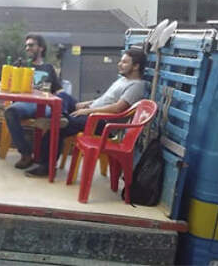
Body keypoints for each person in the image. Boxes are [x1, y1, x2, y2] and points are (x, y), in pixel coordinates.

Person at [26, 47, 148, 177]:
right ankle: (60, 117)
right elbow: (105, 99)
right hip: (92, 111)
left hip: (102, 122)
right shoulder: (123, 80)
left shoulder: (136, 85)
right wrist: (87, 104)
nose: (119, 64)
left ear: (136, 66)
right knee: (63, 97)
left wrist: (88, 111)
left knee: (55, 127)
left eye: (124, 62)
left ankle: (46, 165)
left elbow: (118, 108)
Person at [4, 34, 76, 170]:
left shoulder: (49, 68)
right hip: (25, 104)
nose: (27, 48)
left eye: (31, 45)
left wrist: (70, 101)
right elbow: (8, 86)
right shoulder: (21, 65)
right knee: (10, 111)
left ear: (41, 48)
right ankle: (26, 153)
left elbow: (58, 90)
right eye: (26, 45)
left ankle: (45, 159)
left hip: (45, 105)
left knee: (57, 118)